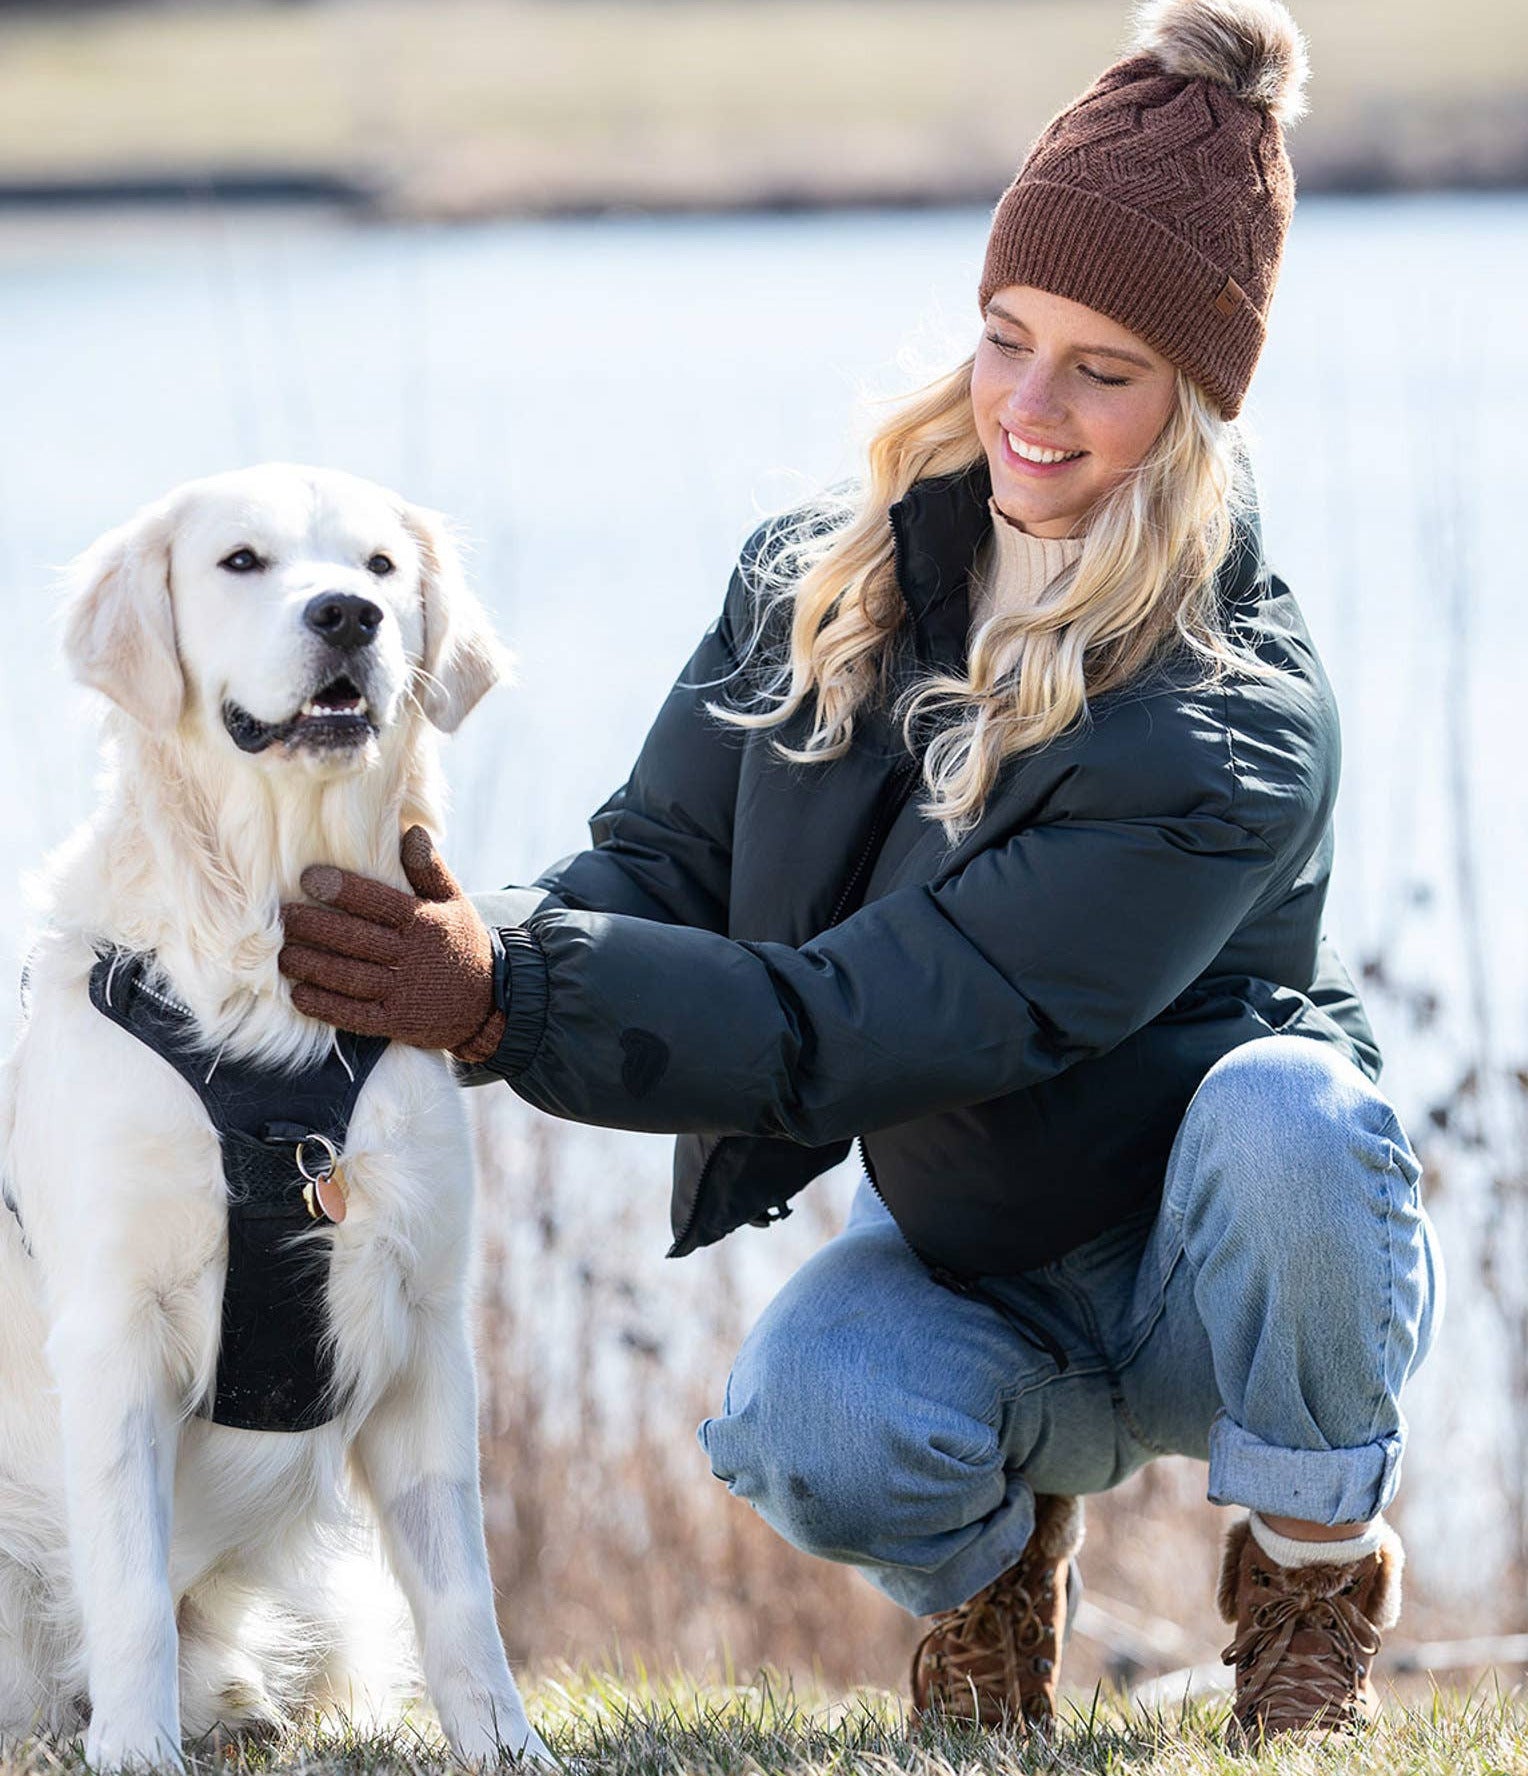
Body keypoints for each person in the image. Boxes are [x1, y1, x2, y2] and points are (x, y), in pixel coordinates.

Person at [278, 0, 1442, 1743]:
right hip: (975, 1260)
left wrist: (513, 1000)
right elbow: (660, 863)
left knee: (1300, 1116)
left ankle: (1308, 1573)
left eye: (1103, 370)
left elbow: (890, 1018)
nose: (1030, 409)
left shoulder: (1231, 722)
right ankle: (992, 1571)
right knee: (804, 1425)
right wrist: (460, 938)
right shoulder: (819, 585)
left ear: (1195, 403)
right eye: (1005, 336)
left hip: (1213, 1265)